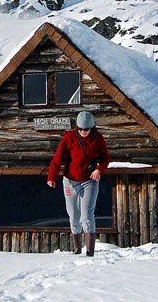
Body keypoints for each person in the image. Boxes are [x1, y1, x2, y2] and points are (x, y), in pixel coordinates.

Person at [47, 110, 110, 256]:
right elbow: (57, 158)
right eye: (80, 128)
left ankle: (90, 252)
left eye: (86, 129)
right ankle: (76, 248)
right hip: (70, 181)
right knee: (74, 216)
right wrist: (51, 177)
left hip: (90, 181)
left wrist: (99, 170)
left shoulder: (98, 139)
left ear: (92, 127)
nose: (83, 132)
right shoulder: (69, 138)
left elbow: (105, 158)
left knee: (87, 215)